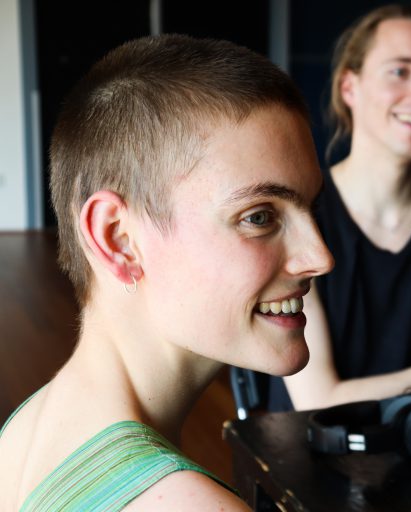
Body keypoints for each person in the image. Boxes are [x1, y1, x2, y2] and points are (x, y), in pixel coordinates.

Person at [0, 34, 334, 510]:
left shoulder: (28, 427)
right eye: (260, 216)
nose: (320, 256)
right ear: (117, 238)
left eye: (310, 209)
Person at [269, 4, 411, 411]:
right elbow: (318, 401)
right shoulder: (296, 211)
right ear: (349, 88)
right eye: (400, 71)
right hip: (308, 454)